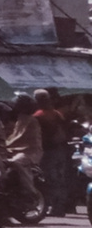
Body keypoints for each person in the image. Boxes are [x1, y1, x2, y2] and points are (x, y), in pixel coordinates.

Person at [34, 88, 69, 217]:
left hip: (48, 152)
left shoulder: (38, 115)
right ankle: (60, 207)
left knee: (49, 179)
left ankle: (52, 206)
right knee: (60, 179)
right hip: (60, 150)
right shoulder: (57, 114)